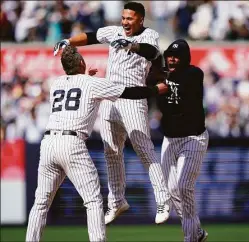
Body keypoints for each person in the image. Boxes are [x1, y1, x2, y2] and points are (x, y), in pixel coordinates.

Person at [25, 45, 169, 242]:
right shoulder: (92, 84)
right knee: (93, 201)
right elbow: (127, 92)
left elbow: (77, 88)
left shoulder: (57, 83)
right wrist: (154, 90)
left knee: (40, 203)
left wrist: (87, 77)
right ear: (82, 63)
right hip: (71, 143)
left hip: (49, 143)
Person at [53, 2, 171, 225]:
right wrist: (68, 41)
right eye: (124, 17)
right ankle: (117, 201)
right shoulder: (114, 31)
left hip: (133, 99)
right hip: (110, 97)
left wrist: (131, 45)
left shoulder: (150, 35)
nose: (125, 22)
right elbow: (89, 36)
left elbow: (152, 52)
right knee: (111, 151)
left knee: (144, 149)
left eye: (130, 18)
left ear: (141, 20)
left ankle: (163, 200)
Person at [152, 39, 209, 242]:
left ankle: (191, 237)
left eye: (176, 56)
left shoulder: (194, 74)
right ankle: (197, 232)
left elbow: (182, 89)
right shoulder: (162, 77)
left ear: (185, 58)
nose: (172, 59)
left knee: (184, 186)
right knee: (172, 189)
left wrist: (160, 78)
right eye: (169, 56)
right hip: (170, 138)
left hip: (193, 138)